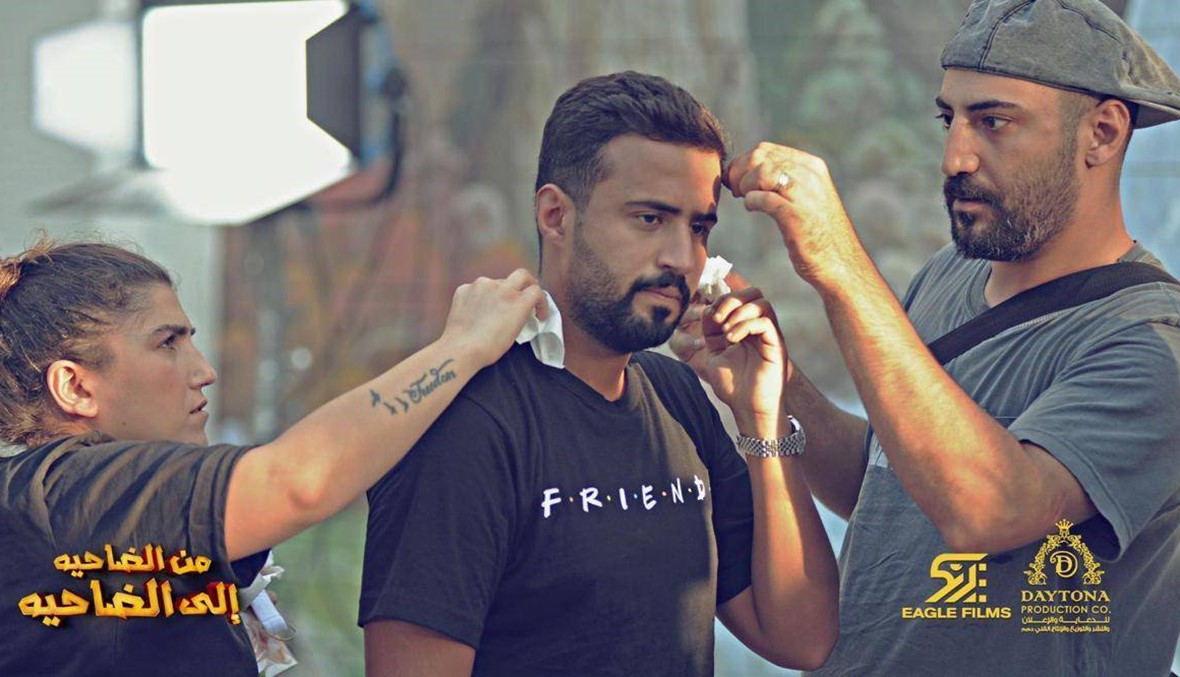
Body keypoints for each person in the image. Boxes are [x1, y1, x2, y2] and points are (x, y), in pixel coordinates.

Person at [673, 0, 1180, 674]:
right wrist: (777, 386)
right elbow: (890, 489)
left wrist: (839, 265)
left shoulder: (1150, 341)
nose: (954, 157)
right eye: (950, 119)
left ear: (1103, 133)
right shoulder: (948, 276)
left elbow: (989, 511)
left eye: (994, 121)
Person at [359, 71, 839, 675]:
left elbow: (804, 638)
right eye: (649, 219)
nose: (682, 257)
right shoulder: (463, 424)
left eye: (698, 227)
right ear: (556, 215)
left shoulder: (676, 396)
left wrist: (763, 417)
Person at [0, 238, 545, 675]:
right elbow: (298, 482)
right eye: (168, 343)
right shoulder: (60, 496)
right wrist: (462, 347)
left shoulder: (87, 509)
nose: (204, 371)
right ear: (75, 386)